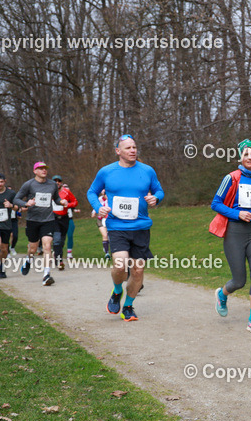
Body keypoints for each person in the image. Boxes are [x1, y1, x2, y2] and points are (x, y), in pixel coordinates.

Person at [87, 135, 165, 322]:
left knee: (137, 270)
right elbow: (92, 192)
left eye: (134, 147)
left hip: (141, 226)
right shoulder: (106, 172)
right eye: (128, 148)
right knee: (120, 265)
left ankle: (128, 306)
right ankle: (117, 290)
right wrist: (99, 208)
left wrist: (156, 199)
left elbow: (159, 191)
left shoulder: (147, 171)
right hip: (117, 226)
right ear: (118, 151)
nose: (133, 150)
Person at [211, 139, 251, 333]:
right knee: (239, 280)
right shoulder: (231, 178)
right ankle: (222, 294)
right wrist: (237, 213)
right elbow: (216, 203)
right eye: (246, 154)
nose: (250, 157)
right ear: (240, 157)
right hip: (235, 232)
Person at [13, 162, 62, 286]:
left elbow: (56, 198)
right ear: (35, 171)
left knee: (47, 246)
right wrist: (26, 204)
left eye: (45, 168)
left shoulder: (52, 184)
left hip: (48, 220)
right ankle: (29, 259)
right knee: (33, 248)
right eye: (40, 169)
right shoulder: (29, 184)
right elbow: (16, 199)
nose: (44, 170)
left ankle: (46, 274)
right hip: (33, 220)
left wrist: (62, 201)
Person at [51, 175, 78, 269]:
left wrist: (68, 205)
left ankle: (57, 255)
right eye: (55, 181)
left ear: (61, 183)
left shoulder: (66, 192)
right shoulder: (49, 192)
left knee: (61, 241)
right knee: (57, 239)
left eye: (59, 181)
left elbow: (75, 202)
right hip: (53, 218)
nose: (57, 182)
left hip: (64, 218)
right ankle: (59, 261)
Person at [91, 191, 110, 258]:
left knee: (110, 236)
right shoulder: (100, 199)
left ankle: (113, 250)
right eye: (106, 194)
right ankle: (107, 253)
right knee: (104, 235)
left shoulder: (113, 200)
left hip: (110, 220)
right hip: (101, 219)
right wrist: (93, 212)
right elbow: (96, 206)